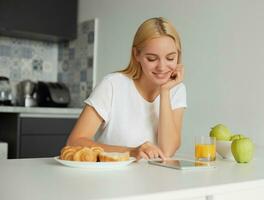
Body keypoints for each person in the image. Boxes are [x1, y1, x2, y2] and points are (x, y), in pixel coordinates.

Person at [66, 17, 187, 161]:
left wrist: (165, 91)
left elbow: (167, 151)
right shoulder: (112, 85)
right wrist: (132, 152)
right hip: (110, 178)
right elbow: (74, 142)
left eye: (170, 58)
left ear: (178, 56)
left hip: (153, 180)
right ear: (137, 55)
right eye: (152, 59)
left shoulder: (176, 90)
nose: (161, 67)